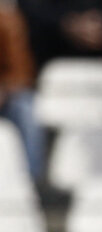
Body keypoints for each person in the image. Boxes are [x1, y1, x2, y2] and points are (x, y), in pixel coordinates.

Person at [0, 0, 43, 180]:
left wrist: (4, 88)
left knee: (27, 107)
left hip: (6, 98)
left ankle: (31, 181)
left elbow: (22, 72)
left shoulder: (7, 21)